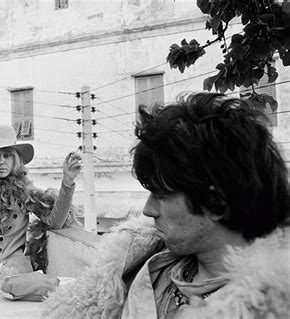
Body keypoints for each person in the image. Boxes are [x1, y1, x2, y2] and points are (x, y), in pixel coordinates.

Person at [42, 92, 290, 318]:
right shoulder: (130, 263)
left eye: (161, 195)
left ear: (216, 202)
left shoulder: (270, 305)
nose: (148, 210)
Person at [0, 124, 82, 288]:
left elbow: (55, 222)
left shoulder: (25, 189)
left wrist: (67, 181)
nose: (1, 161)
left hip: (15, 269)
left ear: (15, 159)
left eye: (7, 155)